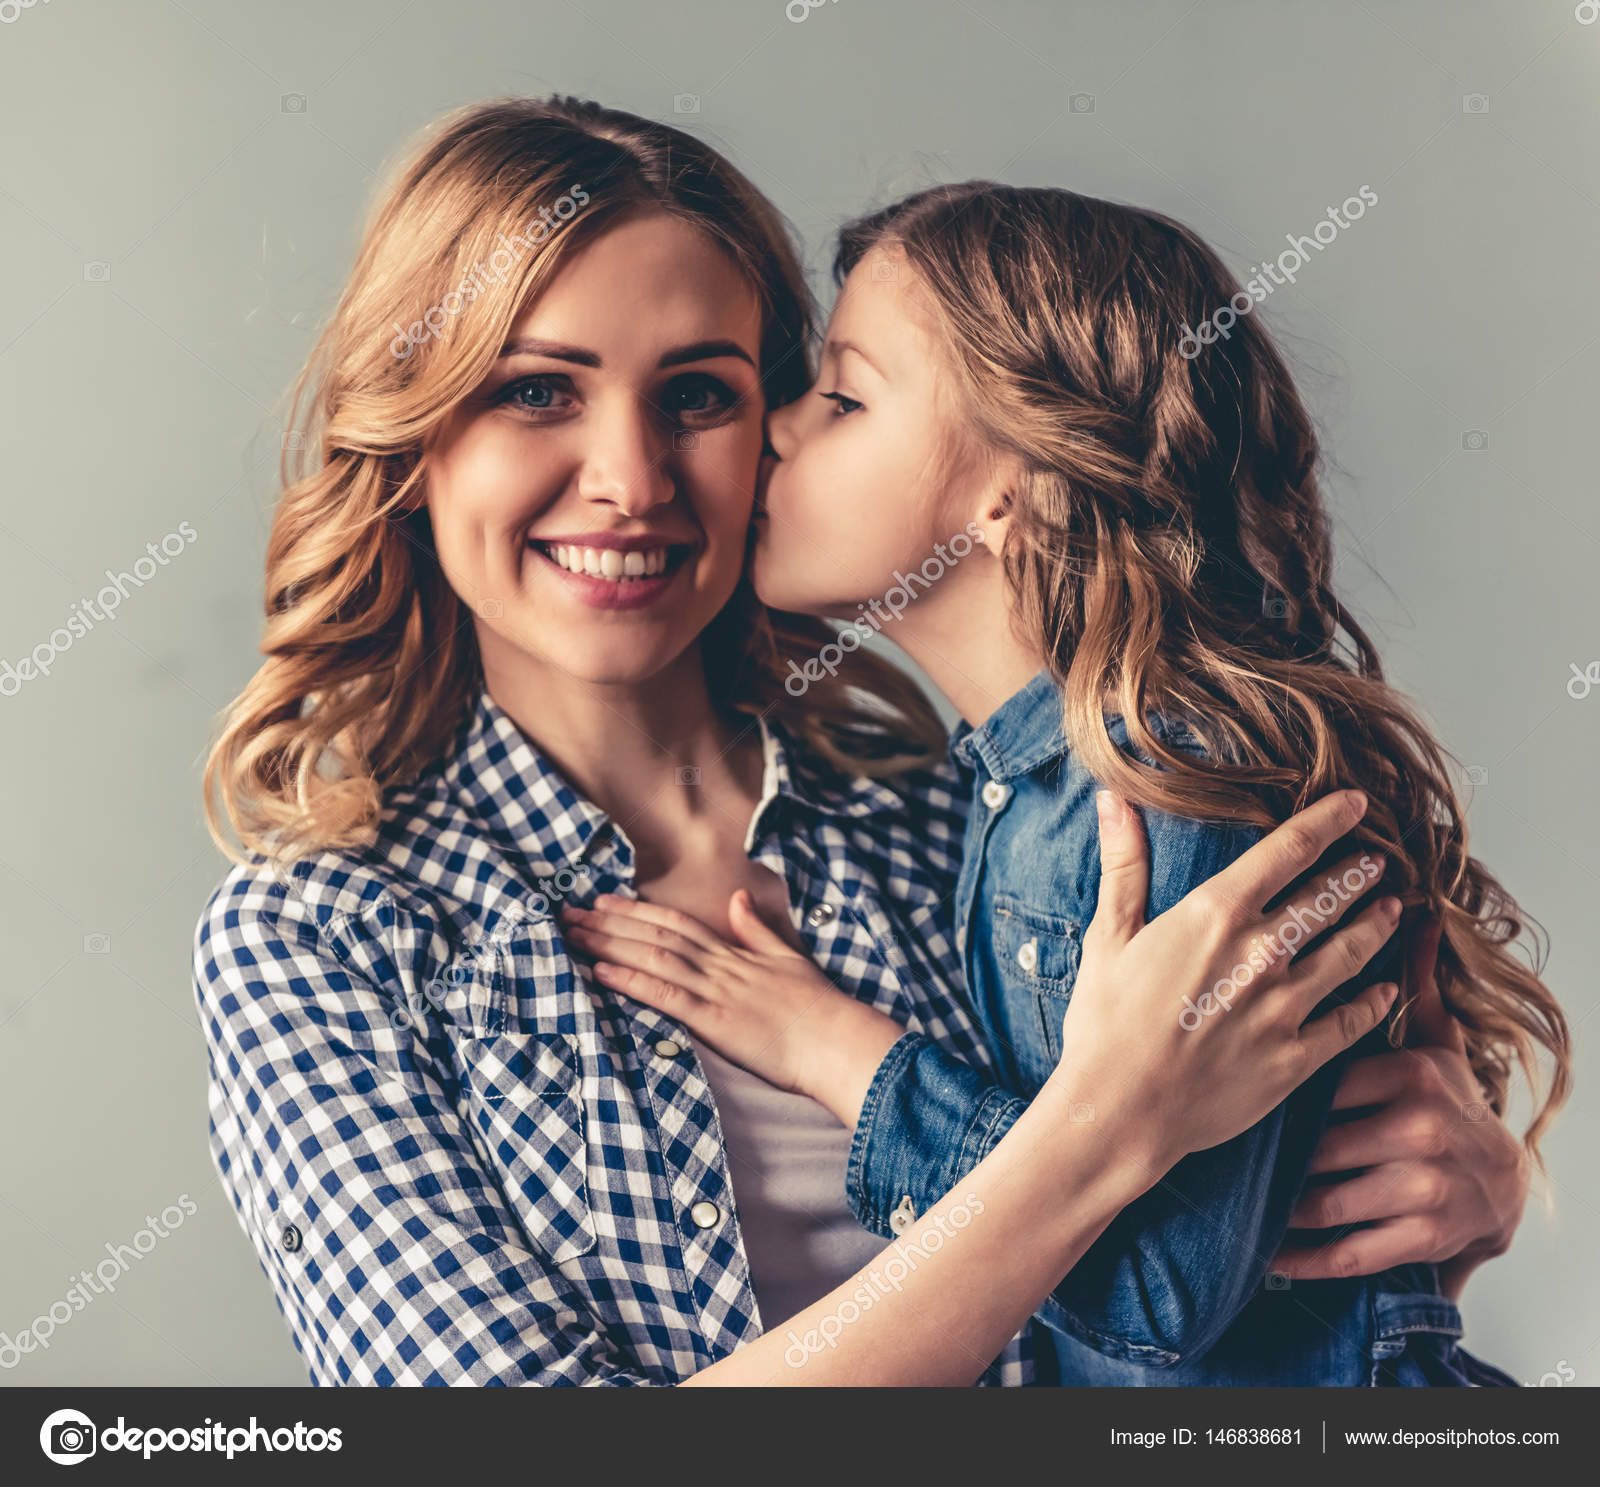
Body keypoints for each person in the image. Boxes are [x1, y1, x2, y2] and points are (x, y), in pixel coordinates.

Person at [196, 99, 1532, 1386]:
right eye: (538, 389)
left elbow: (1181, 1313)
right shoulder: (323, 935)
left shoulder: (986, 819)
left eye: (702, 396)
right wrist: (1098, 1132)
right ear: (416, 439)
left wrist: (1438, 1218)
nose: (632, 478)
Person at [572, 180, 1568, 1384]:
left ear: (1015, 489)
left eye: (841, 396)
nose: (776, 428)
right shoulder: (1009, 792)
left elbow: (1148, 1287)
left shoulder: (1171, 794)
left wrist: (836, 1050)